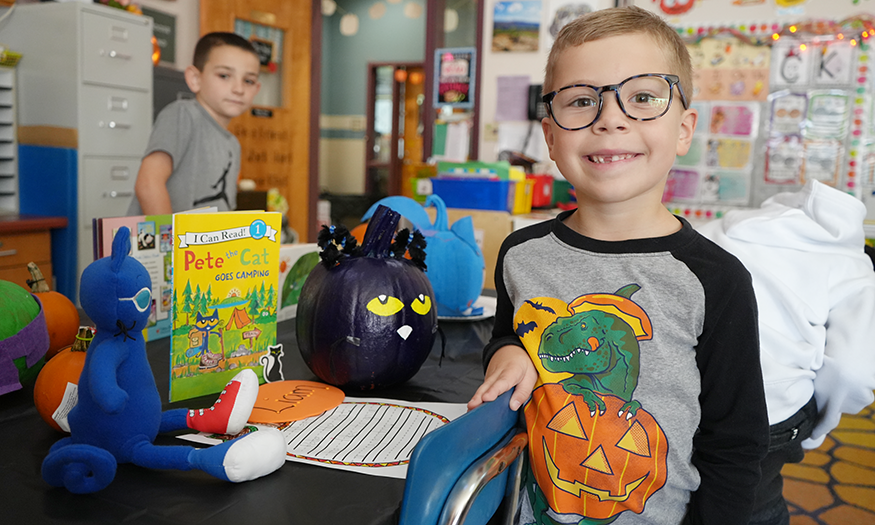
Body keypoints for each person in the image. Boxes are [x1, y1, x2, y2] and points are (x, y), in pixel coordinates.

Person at [466, 7, 769, 525]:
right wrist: (508, 352)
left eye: (643, 97)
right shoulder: (522, 253)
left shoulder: (715, 280)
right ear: (551, 137)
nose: (611, 118)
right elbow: (507, 334)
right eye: (582, 100)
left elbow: (736, 446)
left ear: (683, 129)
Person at [699, 179, 875, 525]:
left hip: (691, 393)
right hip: (770, 410)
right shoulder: (855, 267)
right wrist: (812, 431)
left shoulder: (719, 228)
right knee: (753, 500)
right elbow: (854, 373)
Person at [128, 32, 261, 215]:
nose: (238, 89)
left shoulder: (233, 144)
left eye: (248, 80)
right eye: (224, 75)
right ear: (195, 79)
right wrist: (171, 241)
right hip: (162, 241)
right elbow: (148, 184)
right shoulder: (183, 114)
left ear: (256, 89)